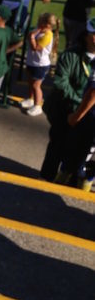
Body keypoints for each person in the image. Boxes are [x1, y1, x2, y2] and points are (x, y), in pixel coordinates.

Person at [40, 20, 95, 180]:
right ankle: (46, 178)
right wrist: (79, 102)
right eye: (94, 34)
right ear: (86, 36)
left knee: (81, 149)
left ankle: (70, 178)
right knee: (57, 144)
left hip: (87, 112)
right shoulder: (70, 55)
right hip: (65, 109)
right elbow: (60, 82)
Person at [20, 11, 58, 116]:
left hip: (41, 64)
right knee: (30, 82)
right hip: (31, 62)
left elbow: (36, 48)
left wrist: (32, 37)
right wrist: (32, 35)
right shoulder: (38, 31)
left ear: (47, 24)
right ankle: (30, 99)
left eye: (40, 22)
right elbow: (29, 36)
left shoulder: (48, 35)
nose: (38, 23)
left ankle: (38, 106)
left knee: (36, 85)